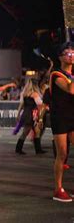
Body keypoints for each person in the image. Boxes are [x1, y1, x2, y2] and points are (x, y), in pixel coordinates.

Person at [50, 42, 74, 202]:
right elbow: (71, 89)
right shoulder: (56, 74)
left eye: (73, 52)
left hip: (72, 116)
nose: (71, 55)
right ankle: (58, 189)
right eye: (67, 53)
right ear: (60, 57)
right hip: (60, 117)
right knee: (62, 153)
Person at [15, 78, 43, 155]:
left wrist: (18, 114)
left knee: (37, 131)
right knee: (25, 132)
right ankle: (18, 148)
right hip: (32, 114)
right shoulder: (35, 94)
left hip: (26, 114)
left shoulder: (24, 93)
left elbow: (21, 105)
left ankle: (38, 149)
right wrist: (40, 117)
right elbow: (40, 105)